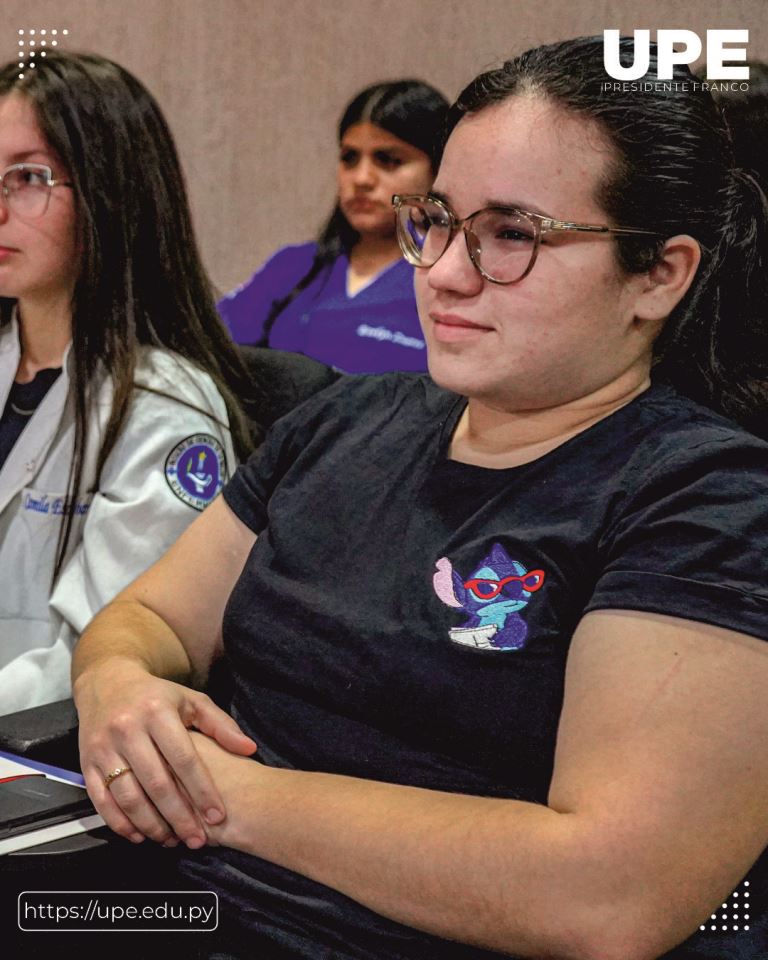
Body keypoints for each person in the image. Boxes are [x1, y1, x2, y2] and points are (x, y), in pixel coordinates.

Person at [72, 37, 768, 960]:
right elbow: (153, 616)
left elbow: (605, 895)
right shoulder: (343, 419)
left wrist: (219, 795)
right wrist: (114, 686)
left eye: (512, 233)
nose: (440, 271)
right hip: (167, 902)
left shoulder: (705, 501)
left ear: (658, 274)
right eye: (438, 219)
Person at [0, 51, 255, 716]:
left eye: (27, 177)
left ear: (107, 191)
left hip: (46, 754)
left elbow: (105, 658)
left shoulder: (165, 411)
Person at [218, 80, 448, 373]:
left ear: (437, 169)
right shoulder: (294, 266)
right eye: (349, 158)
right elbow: (209, 347)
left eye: (388, 160)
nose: (362, 179)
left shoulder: (445, 279)